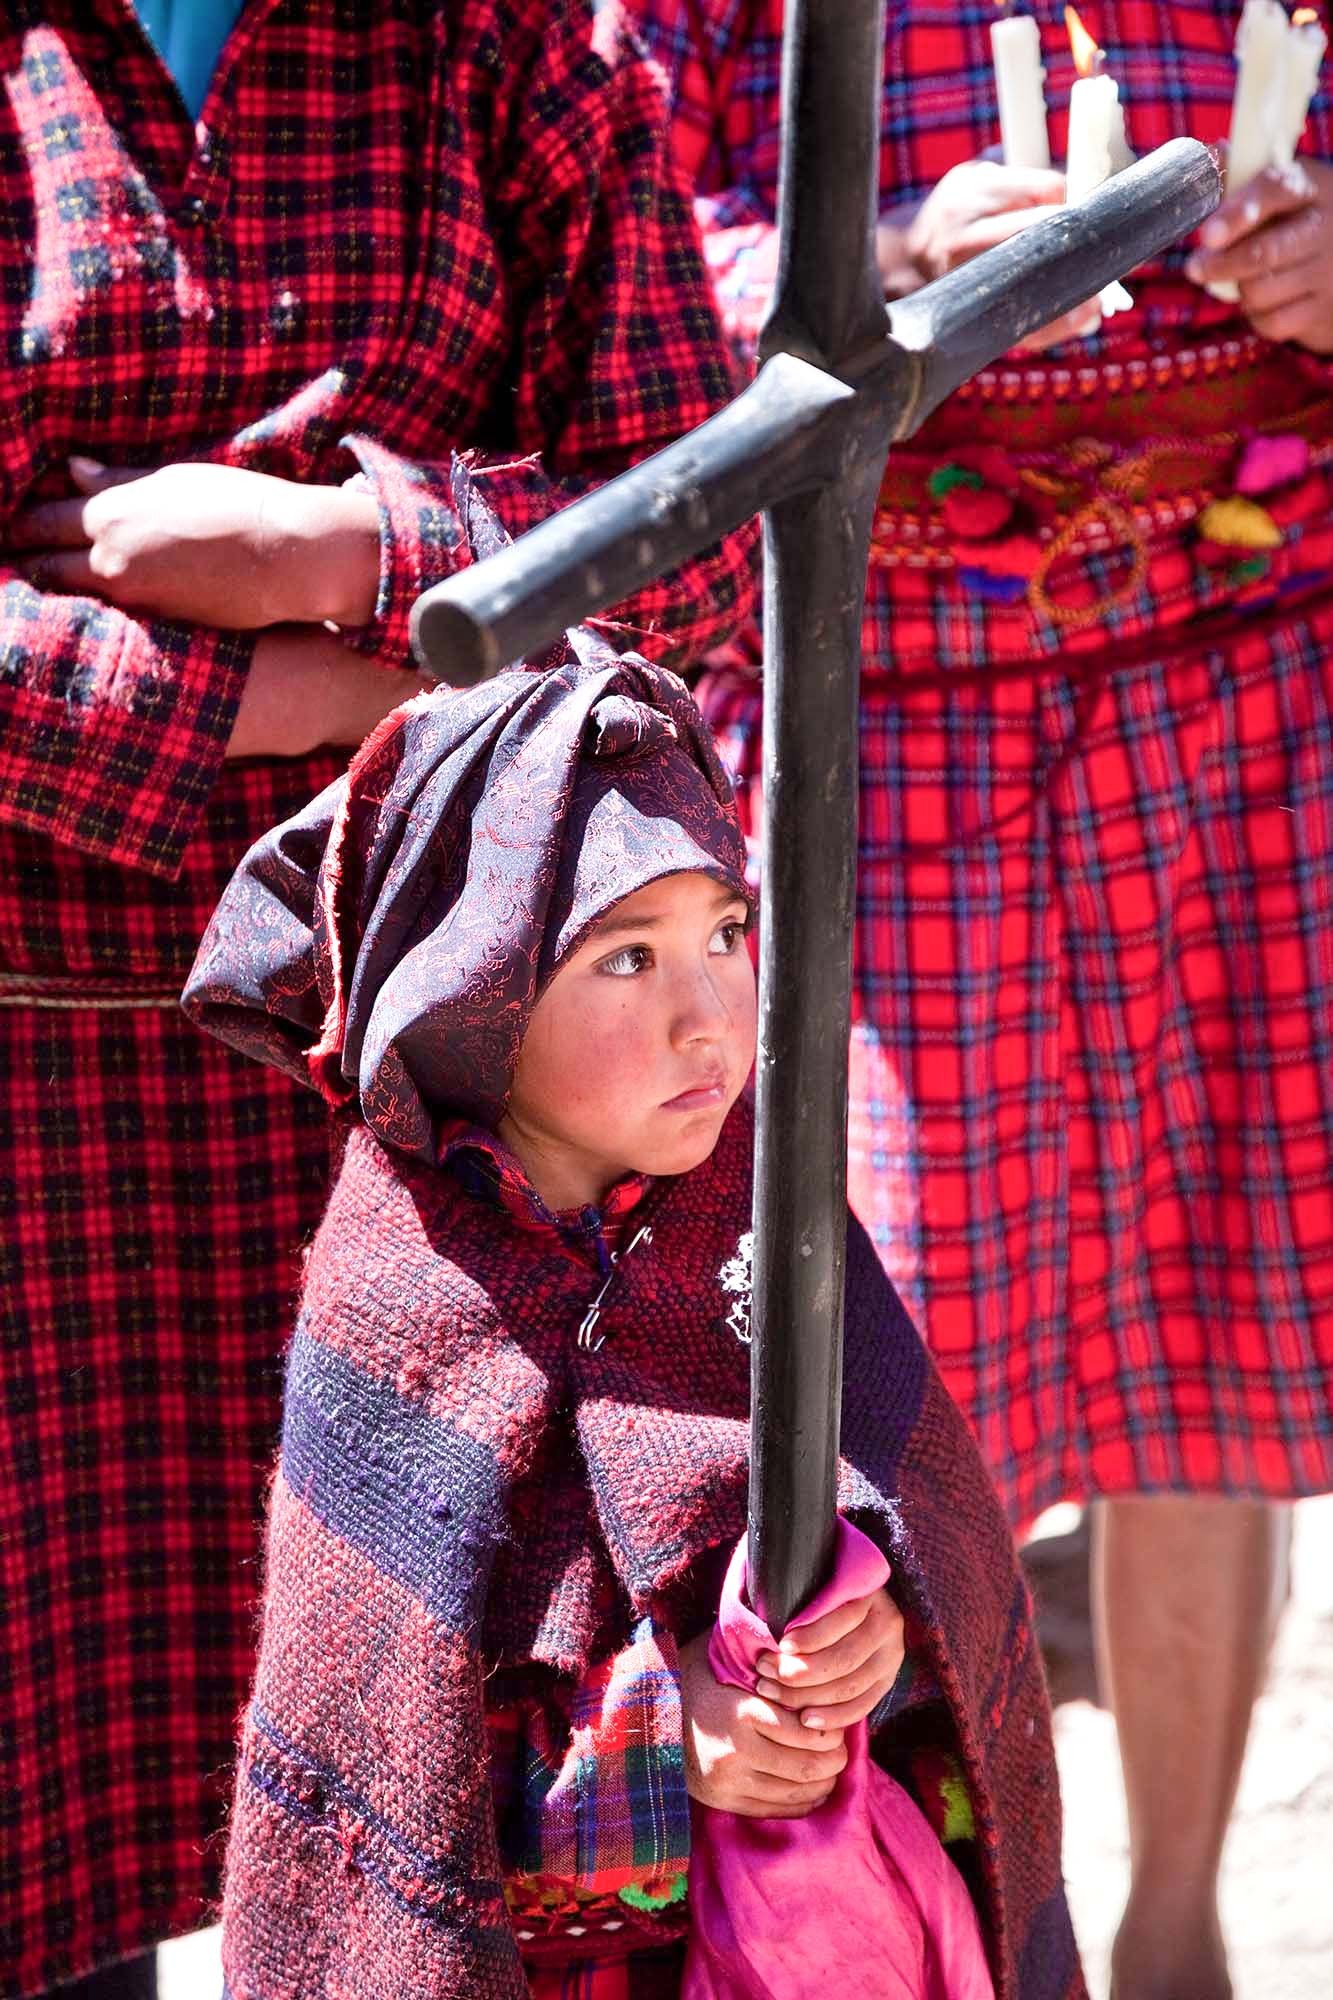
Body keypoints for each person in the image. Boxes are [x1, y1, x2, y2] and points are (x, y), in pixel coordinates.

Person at [0, 7, 758, 1996]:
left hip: (437, 1144)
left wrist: (354, 545)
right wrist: (332, 693)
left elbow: (713, 532)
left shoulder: (502, 43)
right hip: (32, 1133)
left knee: (446, 1859)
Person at [626, 4, 1333, 1995]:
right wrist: (880, 278)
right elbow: (622, 251)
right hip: (893, 717)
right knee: (909, 1401)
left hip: (1248, 681)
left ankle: (1179, 1933)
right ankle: (961, 1948)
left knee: (1200, 1356)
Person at [181, 631, 1080, 2000]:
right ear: (467, 990)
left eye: (724, 933)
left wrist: (879, 1639)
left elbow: (931, 1538)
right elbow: (387, 1762)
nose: (707, 1017)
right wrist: (665, 1742)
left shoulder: (769, 1214)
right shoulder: (403, 1297)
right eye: (622, 959)